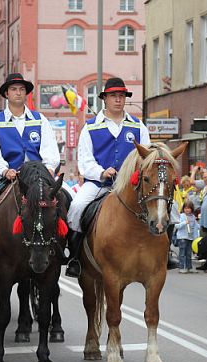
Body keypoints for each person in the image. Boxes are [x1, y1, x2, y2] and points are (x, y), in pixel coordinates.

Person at [0, 73, 60, 253]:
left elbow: (50, 150)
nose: (18, 92)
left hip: (37, 174)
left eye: (22, 89)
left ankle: (63, 240)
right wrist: (4, 170)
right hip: (7, 170)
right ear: (6, 94)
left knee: (63, 195)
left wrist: (48, 169)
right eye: (14, 89)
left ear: (26, 94)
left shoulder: (40, 120)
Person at [66, 77, 150, 277]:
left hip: (131, 185)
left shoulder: (138, 126)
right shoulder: (91, 126)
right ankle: (75, 257)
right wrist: (101, 172)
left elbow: (147, 156)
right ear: (105, 98)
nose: (118, 100)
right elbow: (85, 160)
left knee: (168, 209)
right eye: (113, 96)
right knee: (76, 207)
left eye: (121, 96)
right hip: (99, 184)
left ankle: (165, 253)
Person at [175, 200, 199, 274]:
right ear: (183, 209)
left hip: (190, 238)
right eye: (185, 208)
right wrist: (184, 223)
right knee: (182, 253)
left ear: (192, 209)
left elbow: (195, 227)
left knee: (189, 253)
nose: (187, 210)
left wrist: (196, 237)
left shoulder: (193, 217)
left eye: (189, 208)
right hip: (182, 237)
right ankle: (181, 267)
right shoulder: (181, 216)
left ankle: (189, 267)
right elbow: (177, 226)